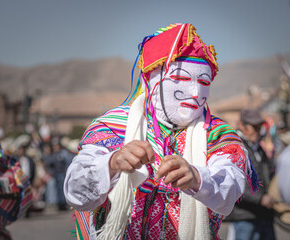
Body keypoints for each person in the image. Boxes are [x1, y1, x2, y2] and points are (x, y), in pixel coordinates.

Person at [64, 23, 259, 240]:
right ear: (153, 81)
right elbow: (75, 192)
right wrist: (110, 164)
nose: (195, 93)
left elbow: (230, 188)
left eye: (204, 82)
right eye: (182, 79)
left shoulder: (218, 134)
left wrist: (197, 178)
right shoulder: (113, 125)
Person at [226, 109, 277, 240]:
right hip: (245, 216)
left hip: (264, 215)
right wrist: (260, 199)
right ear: (241, 125)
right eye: (254, 126)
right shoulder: (235, 148)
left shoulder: (259, 149)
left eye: (259, 126)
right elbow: (234, 183)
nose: (257, 130)